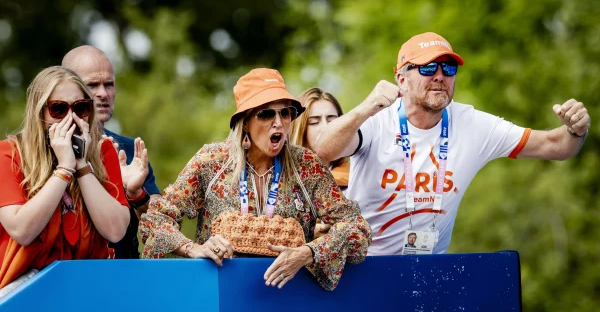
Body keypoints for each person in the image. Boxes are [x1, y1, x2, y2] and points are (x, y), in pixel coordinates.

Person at [314, 32, 590, 255]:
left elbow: (556, 147)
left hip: (430, 273)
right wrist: (365, 107)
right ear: (402, 79)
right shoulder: (378, 120)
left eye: (448, 68)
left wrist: (575, 130)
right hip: (363, 266)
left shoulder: (472, 125)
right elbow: (324, 149)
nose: (440, 76)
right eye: (428, 67)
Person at [140, 68, 371, 291]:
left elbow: (357, 229)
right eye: (267, 113)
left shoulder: (307, 165)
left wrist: (309, 252)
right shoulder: (212, 161)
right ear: (246, 121)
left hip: (291, 297)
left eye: (285, 112)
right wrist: (193, 248)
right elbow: (155, 221)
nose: (279, 122)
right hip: (220, 296)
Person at [0, 66, 137, 289]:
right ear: (40, 113)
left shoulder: (102, 152)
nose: (71, 118)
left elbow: (115, 230)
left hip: (86, 283)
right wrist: (64, 169)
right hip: (27, 286)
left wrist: (82, 164)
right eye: (58, 109)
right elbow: (22, 230)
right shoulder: (8, 154)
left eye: (80, 108)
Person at [62, 46, 160, 259]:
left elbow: (162, 225)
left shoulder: (131, 149)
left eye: (109, 84)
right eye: (92, 85)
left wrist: (137, 195)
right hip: (63, 276)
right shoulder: (40, 150)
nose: (103, 93)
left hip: (124, 277)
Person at [289, 87, 350, 238]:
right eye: (314, 122)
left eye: (332, 120)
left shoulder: (357, 174)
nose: (325, 127)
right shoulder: (282, 176)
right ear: (300, 128)